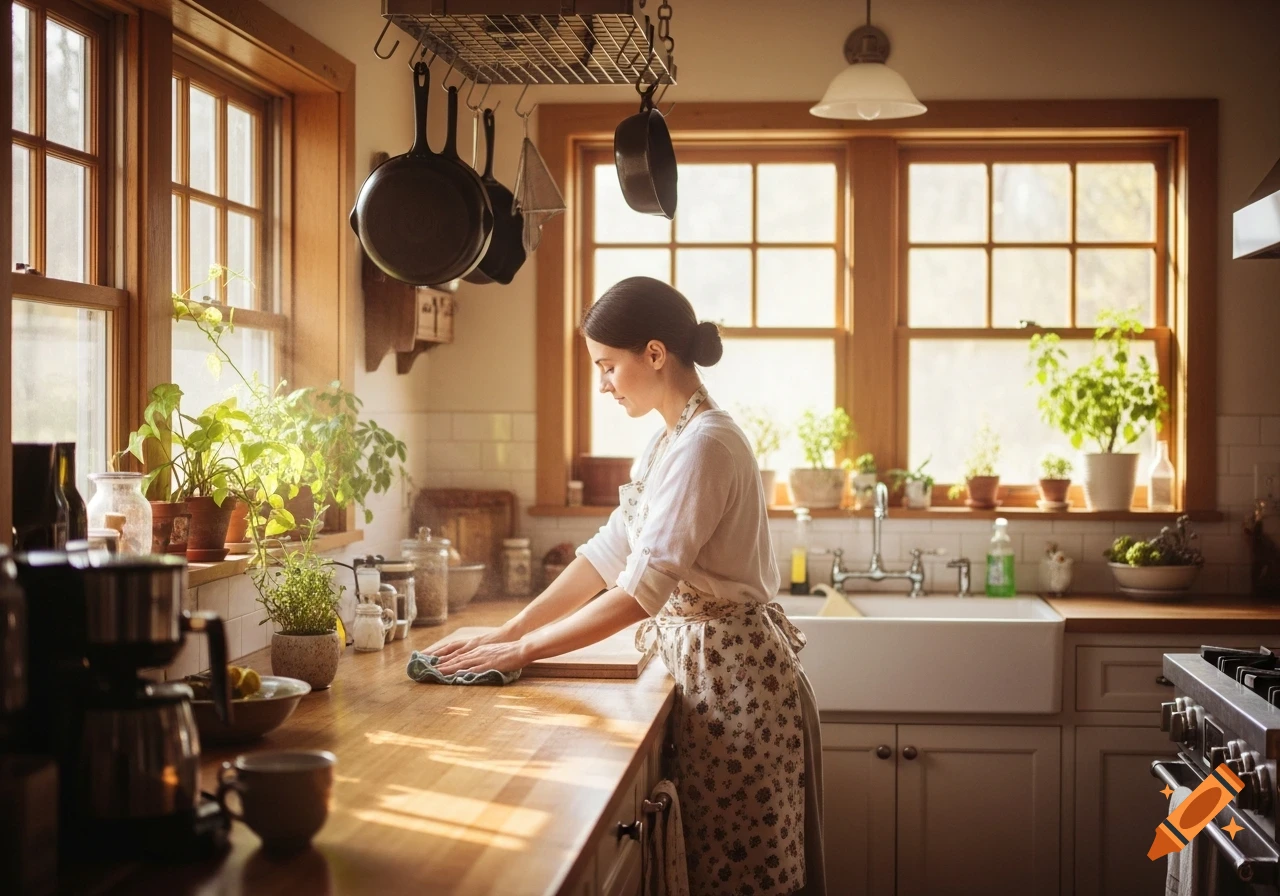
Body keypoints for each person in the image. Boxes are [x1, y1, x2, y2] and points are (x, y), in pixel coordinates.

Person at [426, 276, 825, 896]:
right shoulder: (668, 442)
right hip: (707, 674)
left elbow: (640, 593)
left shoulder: (705, 447)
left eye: (608, 366)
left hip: (733, 684)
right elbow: (608, 555)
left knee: (739, 879)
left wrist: (524, 652)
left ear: (656, 354)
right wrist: (509, 630)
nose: (603, 384)